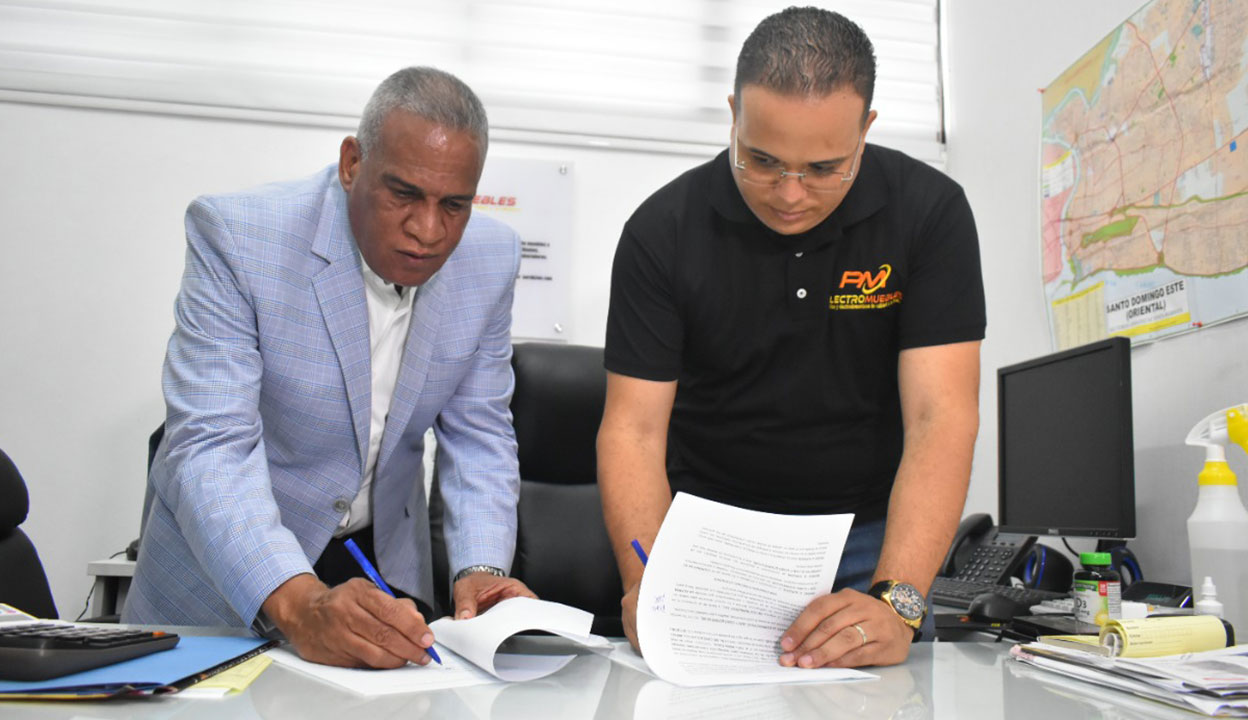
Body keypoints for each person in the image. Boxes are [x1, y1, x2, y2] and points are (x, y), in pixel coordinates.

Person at [598, 7, 984, 668]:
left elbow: (939, 416)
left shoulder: (929, 213)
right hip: (710, 544)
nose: (790, 195)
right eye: (762, 160)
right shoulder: (662, 231)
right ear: (733, 116)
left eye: (825, 168)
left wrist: (898, 602)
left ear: (866, 129)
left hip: (871, 541)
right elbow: (633, 431)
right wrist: (648, 583)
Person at [123, 67, 534, 668]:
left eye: (454, 205)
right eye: (403, 194)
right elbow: (209, 444)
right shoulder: (239, 236)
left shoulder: (491, 258)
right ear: (351, 164)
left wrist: (482, 570)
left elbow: (480, 433)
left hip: (376, 565)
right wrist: (298, 602)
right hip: (229, 575)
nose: (428, 231)